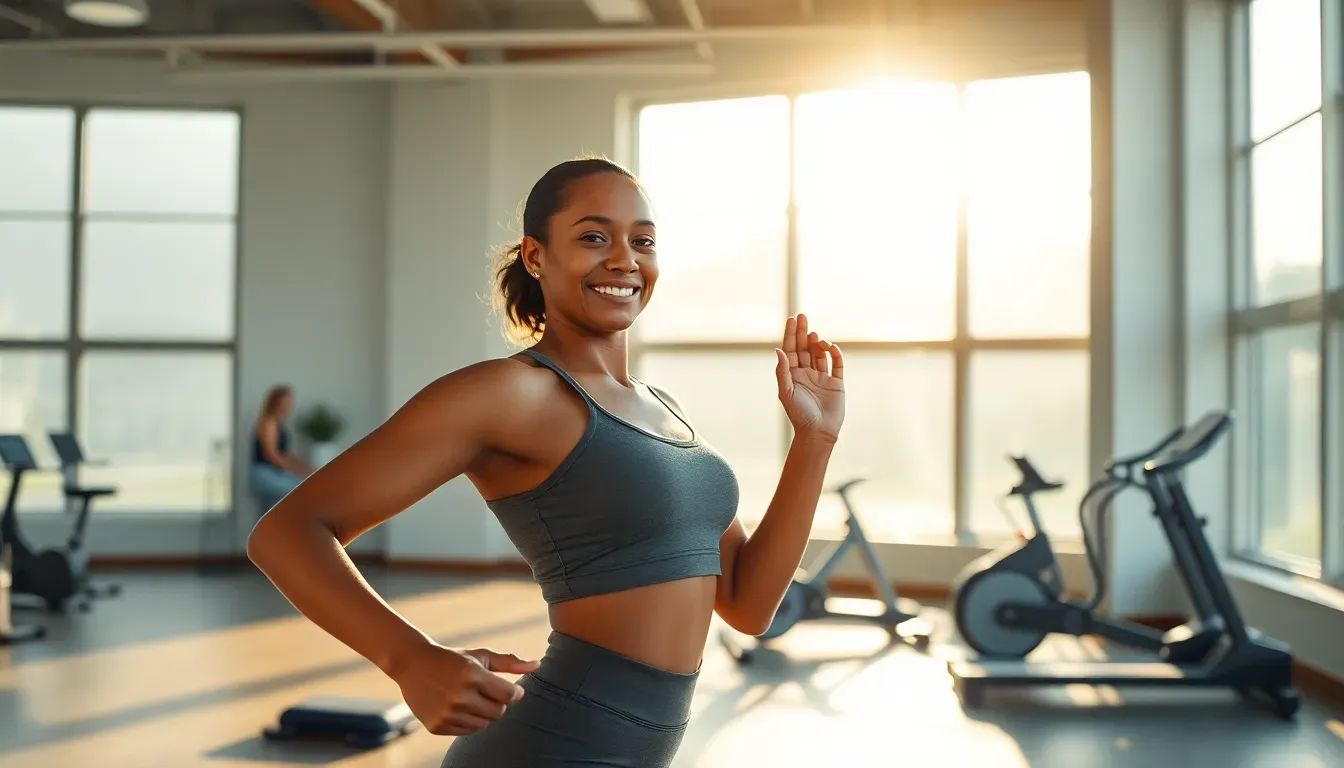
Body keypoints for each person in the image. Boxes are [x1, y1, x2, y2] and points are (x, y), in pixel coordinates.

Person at [246, 157, 846, 767]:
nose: (624, 259)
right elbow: (286, 532)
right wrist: (410, 658)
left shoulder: (666, 409)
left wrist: (813, 441)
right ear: (536, 257)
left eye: (643, 241)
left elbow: (747, 605)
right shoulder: (510, 394)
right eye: (593, 237)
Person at [249, 384, 312, 512]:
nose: (289, 406)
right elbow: (271, 455)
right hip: (263, 474)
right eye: (286, 402)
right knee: (299, 490)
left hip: (272, 473)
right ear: (275, 403)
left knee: (268, 512)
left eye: (290, 402)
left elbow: (286, 454)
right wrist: (296, 471)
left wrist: (306, 469)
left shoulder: (279, 425)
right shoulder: (268, 423)